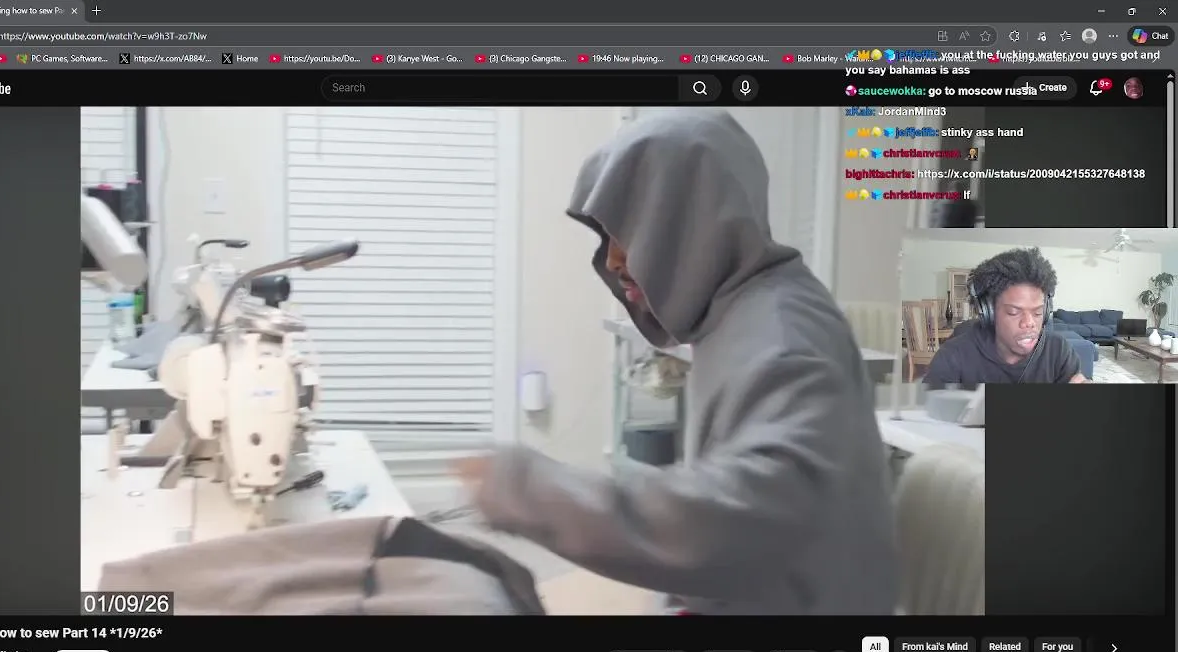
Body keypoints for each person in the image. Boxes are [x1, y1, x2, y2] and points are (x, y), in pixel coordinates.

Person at [454, 109, 899, 615]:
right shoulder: (739, 312)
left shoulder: (783, 336)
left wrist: (528, 490)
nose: (614, 259)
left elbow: (744, 523)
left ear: (692, 223)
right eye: (609, 236)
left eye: (631, 230)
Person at [923, 247, 1088, 387]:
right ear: (988, 313)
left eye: (1037, 312)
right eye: (1013, 312)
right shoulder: (953, 355)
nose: (1029, 323)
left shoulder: (1059, 351)